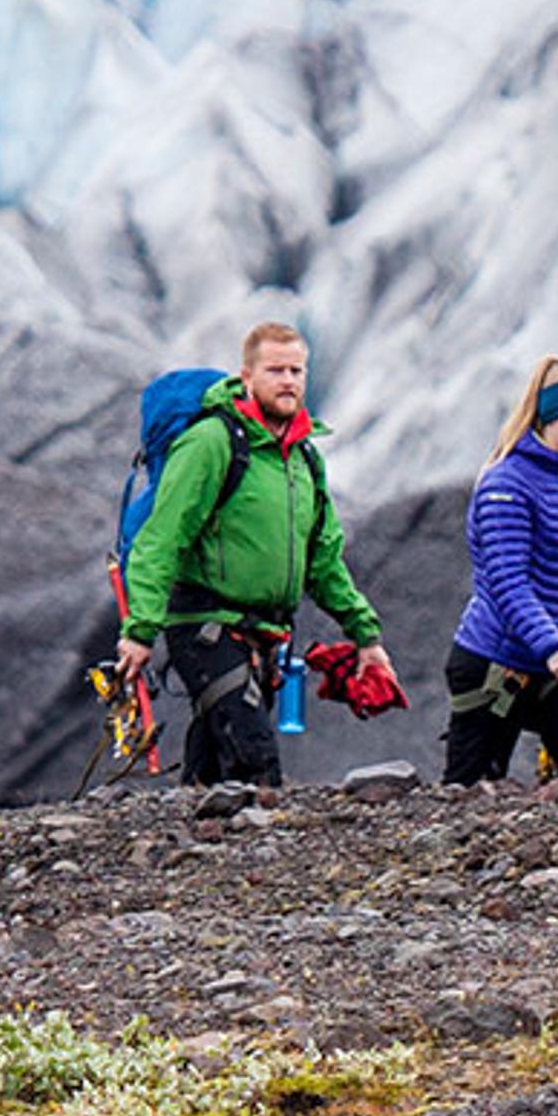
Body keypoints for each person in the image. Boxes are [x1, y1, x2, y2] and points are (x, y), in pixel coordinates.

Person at [118, 314, 399, 789]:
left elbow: (324, 561)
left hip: (266, 635)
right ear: (246, 377)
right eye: (275, 370)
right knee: (254, 764)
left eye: (296, 371)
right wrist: (140, 631)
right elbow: (161, 539)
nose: (288, 381)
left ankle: (192, 851)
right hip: (206, 627)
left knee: (213, 774)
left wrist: (366, 636)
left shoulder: (306, 459)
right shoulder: (212, 443)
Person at [447, 358, 558, 790]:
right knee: (471, 795)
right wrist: (550, 647)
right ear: (549, 415)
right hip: (497, 663)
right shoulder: (505, 485)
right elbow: (508, 582)